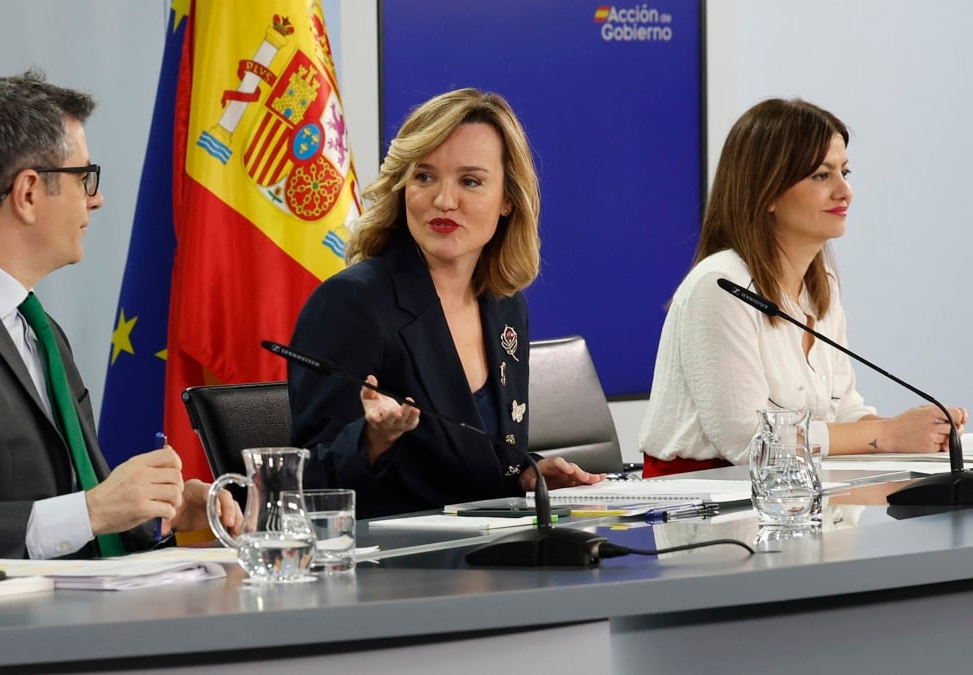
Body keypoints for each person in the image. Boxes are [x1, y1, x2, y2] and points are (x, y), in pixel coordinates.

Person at [0, 70, 239, 574]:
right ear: (28, 193)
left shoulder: (40, 329)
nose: (95, 200)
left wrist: (161, 516)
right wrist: (95, 510)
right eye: (84, 178)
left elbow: (75, 514)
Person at [288, 88, 604, 518]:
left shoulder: (505, 305)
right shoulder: (351, 304)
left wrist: (524, 477)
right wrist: (372, 441)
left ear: (508, 199)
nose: (443, 200)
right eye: (424, 176)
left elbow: (473, 465)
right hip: (396, 571)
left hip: (492, 560)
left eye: (470, 181)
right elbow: (305, 486)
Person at [639, 98, 967, 477]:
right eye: (821, 176)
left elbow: (844, 412)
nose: (845, 192)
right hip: (706, 504)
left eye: (845, 172)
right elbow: (749, 442)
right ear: (767, 192)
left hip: (796, 493)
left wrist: (920, 432)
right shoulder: (721, 287)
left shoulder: (820, 286)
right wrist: (886, 435)